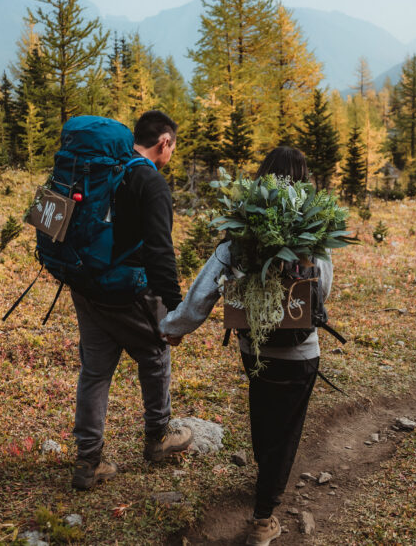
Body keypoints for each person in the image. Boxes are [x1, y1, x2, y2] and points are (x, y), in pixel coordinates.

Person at [159, 146, 331, 546]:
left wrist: (174, 327)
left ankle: (264, 481)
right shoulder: (313, 237)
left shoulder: (239, 237)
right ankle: (263, 517)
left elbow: (203, 293)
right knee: (285, 431)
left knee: (263, 416)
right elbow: (320, 291)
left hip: (254, 350)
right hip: (301, 352)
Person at [69, 110, 193, 491]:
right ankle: (157, 439)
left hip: (84, 284)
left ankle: (89, 461)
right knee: (155, 355)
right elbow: (160, 252)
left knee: (95, 371)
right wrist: (175, 309)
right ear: (164, 142)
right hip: (126, 290)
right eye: (172, 147)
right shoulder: (150, 182)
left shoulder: (101, 169)